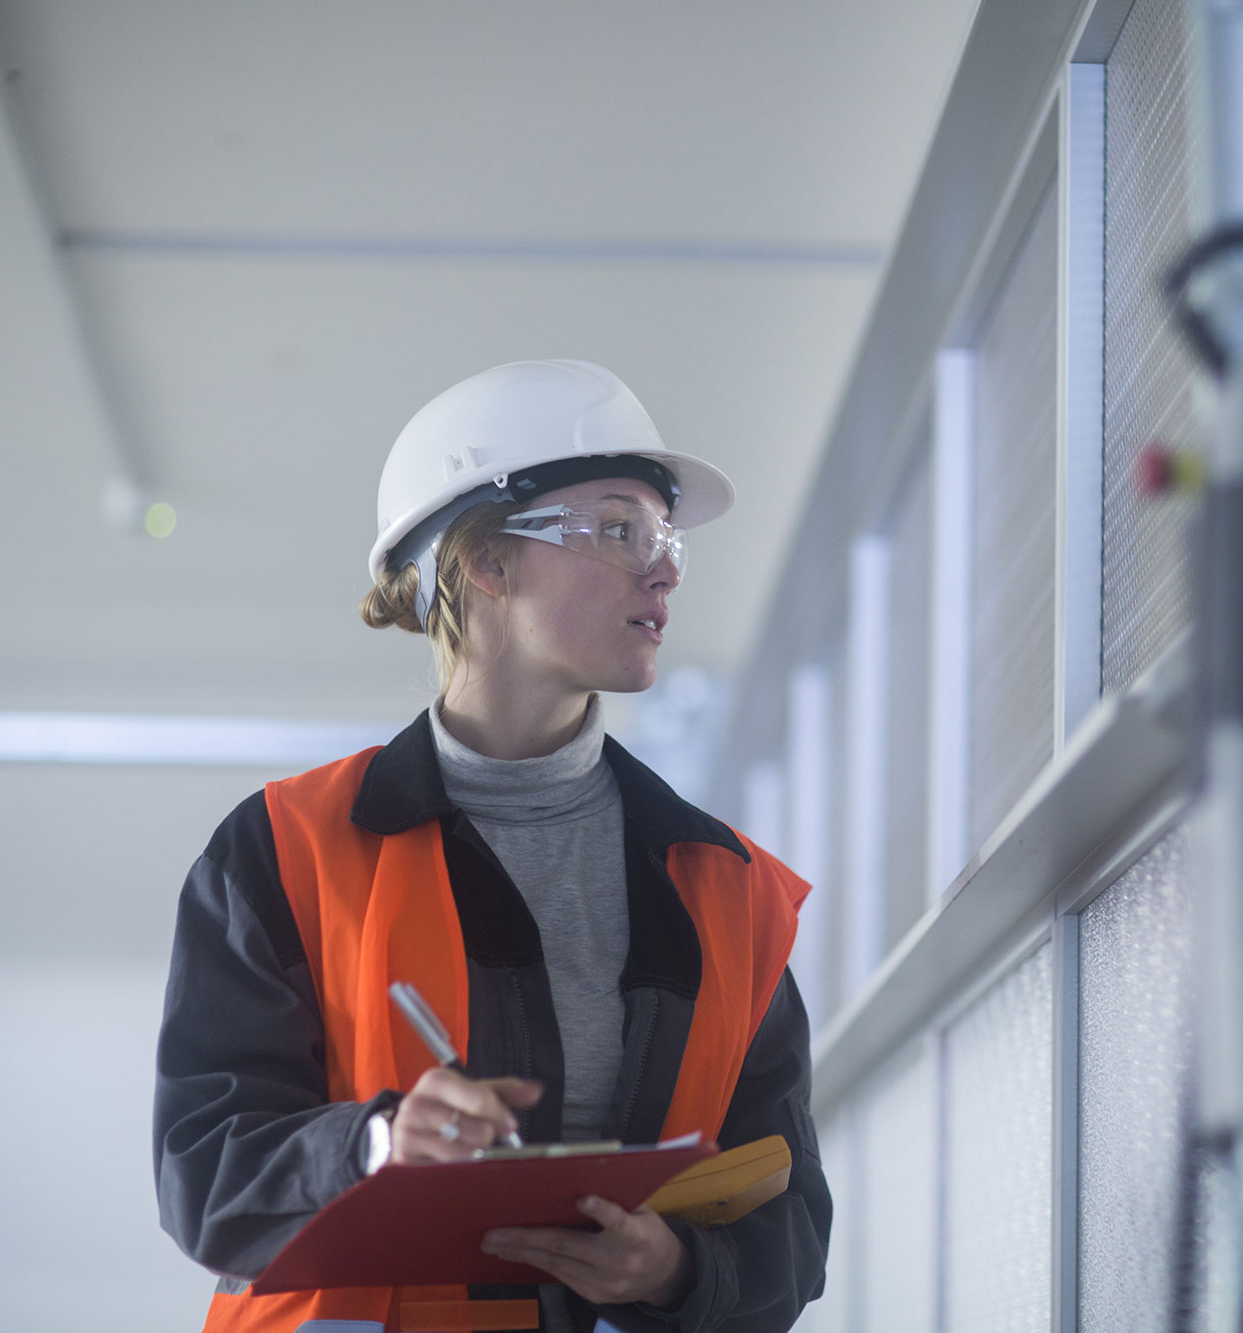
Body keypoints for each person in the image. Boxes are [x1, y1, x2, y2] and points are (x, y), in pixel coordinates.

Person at [153, 359, 831, 1333]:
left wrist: (677, 1268)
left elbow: (792, 1218)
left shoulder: (728, 889)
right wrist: (375, 1143)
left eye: (664, 535)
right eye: (615, 529)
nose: (665, 564)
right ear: (487, 562)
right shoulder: (284, 849)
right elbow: (203, 1178)